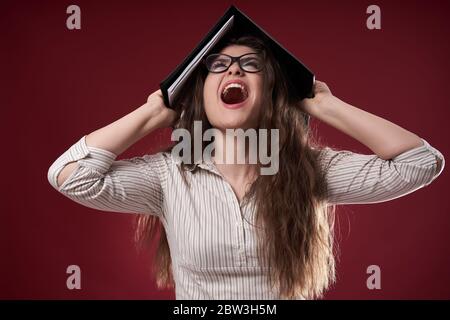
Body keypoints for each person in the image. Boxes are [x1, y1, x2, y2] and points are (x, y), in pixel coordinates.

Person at [47, 35, 445, 299]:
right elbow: (69, 176)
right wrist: (152, 114)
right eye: (217, 65)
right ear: (200, 93)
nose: (233, 71)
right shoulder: (169, 175)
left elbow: (420, 164)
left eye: (249, 64)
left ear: (270, 92)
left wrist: (327, 107)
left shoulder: (309, 170)